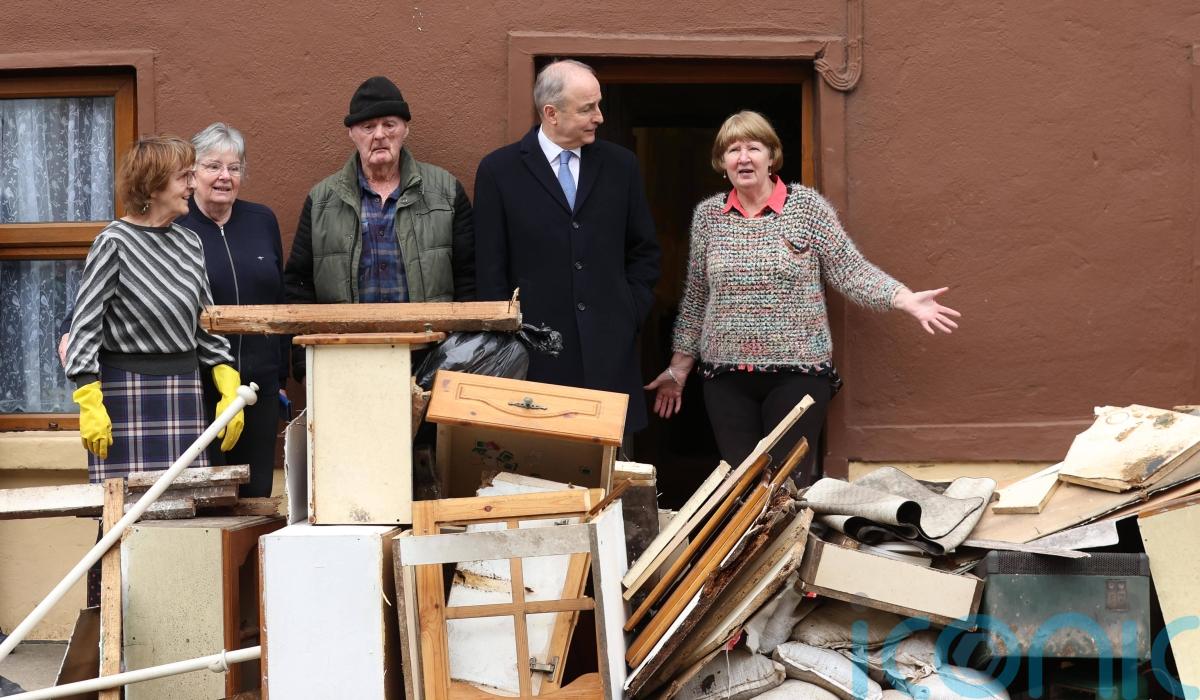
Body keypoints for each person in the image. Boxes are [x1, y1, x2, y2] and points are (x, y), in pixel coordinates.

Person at [645, 111, 960, 484]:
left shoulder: (806, 208)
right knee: (740, 488)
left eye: (753, 148)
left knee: (786, 485)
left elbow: (850, 269)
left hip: (797, 374)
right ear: (721, 162)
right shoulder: (709, 216)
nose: (743, 157)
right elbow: (697, 296)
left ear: (771, 156)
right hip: (725, 378)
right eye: (732, 150)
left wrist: (903, 298)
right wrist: (679, 368)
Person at [63, 136, 246, 604]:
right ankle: (108, 628)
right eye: (183, 177)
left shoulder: (189, 243)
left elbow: (205, 324)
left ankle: (177, 623)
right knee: (121, 521)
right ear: (152, 184)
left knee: (182, 514)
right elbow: (85, 326)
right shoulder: (114, 243)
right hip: (124, 398)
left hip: (183, 393)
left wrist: (226, 383)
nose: (192, 185)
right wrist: (88, 399)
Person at [474, 59, 661, 439]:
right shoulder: (499, 170)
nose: (599, 117)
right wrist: (508, 338)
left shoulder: (621, 166)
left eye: (599, 104)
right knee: (537, 465)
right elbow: (489, 269)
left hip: (609, 358)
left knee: (611, 468)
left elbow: (644, 251)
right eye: (587, 108)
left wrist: (629, 312)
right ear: (551, 113)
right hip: (533, 359)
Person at [283, 76, 475, 379]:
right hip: (345, 361)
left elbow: (469, 280)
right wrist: (305, 365)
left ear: (405, 129)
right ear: (352, 133)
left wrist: (461, 354)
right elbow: (298, 286)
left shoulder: (446, 192)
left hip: (432, 360)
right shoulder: (321, 200)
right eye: (368, 127)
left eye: (389, 124)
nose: (380, 135)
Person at [180, 122, 288, 498]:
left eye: (234, 167)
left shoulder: (262, 220)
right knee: (205, 500)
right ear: (192, 173)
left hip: (259, 389)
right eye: (213, 166)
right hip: (199, 387)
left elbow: (280, 297)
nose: (224, 176)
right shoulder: (176, 226)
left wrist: (280, 373)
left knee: (256, 496)